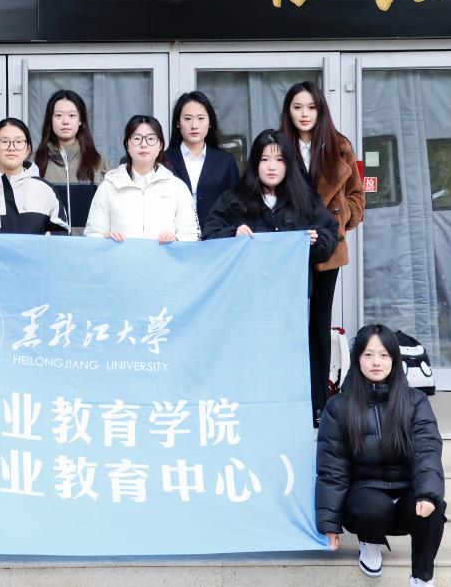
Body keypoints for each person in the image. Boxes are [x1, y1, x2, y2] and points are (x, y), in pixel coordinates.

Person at [203, 129, 340, 423]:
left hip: (290, 302)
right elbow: (210, 236)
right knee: (250, 357)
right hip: (246, 302)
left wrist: (317, 241)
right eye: (264, 159)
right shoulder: (235, 199)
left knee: (290, 358)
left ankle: (294, 415)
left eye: (279, 160)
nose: (272, 166)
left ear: (289, 164)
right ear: (255, 164)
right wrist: (233, 234)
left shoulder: (303, 199)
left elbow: (330, 233)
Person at [317, 324, 446, 587]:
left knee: (434, 507)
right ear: (357, 359)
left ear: (394, 359)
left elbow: (427, 451)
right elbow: (332, 468)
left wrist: (427, 494)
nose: (376, 362)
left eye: (384, 355)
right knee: (372, 507)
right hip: (364, 497)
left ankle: (422, 578)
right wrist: (329, 524)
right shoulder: (338, 407)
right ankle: (370, 542)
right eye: (368, 354)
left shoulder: (415, 401)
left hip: (405, 495)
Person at [280, 81, 365, 424]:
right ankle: (289, 398)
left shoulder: (339, 146)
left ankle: (319, 403)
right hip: (287, 246)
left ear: (320, 110)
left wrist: (339, 220)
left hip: (327, 247)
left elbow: (357, 196)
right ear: (288, 111)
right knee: (287, 323)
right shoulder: (279, 144)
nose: (304, 114)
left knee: (319, 324)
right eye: (298, 107)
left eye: (311, 107)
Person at [84, 115, 199, 243]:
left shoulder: (177, 187)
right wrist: (106, 239)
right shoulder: (109, 186)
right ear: (127, 145)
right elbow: (93, 233)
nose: (144, 144)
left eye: (151, 139)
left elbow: (191, 234)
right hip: (120, 256)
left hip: (164, 256)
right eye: (137, 139)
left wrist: (176, 240)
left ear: (160, 145)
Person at [0, 118, 69, 234]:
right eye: (4, 142)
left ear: (28, 149)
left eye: (18, 142)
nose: (11, 147)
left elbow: (63, 233)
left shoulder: (45, 189)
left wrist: (50, 236)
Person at [33, 90, 110, 228]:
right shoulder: (35, 162)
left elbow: (109, 206)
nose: (65, 121)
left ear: (80, 120)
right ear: (50, 119)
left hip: (88, 240)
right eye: (58, 115)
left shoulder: (98, 161)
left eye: (72, 115)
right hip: (48, 240)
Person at [166, 91, 239, 228]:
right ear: (177, 123)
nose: (194, 125)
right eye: (188, 118)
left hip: (216, 236)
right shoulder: (163, 161)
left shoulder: (225, 161)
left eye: (201, 118)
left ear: (210, 123)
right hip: (174, 236)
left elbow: (235, 206)